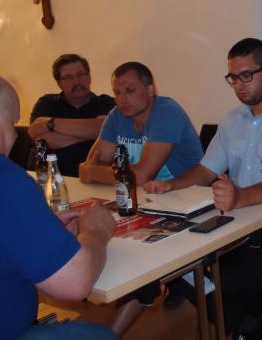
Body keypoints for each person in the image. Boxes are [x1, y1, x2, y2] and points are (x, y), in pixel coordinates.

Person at [145, 38, 262, 339]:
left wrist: (239, 198)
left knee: (222, 276)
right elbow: (205, 170)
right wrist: (169, 185)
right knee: (173, 265)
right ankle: (248, 320)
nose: (239, 85)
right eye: (232, 78)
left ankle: (245, 314)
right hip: (242, 217)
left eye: (246, 75)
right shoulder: (232, 121)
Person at [78, 61, 204, 334]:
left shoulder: (167, 112)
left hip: (187, 200)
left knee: (130, 252)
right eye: (117, 92)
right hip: (149, 202)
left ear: (150, 90)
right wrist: (105, 172)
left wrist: (98, 172)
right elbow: (91, 164)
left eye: (130, 90)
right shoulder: (116, 115)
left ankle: (121, 321)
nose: (122, 99)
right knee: (100, 230)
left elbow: (142, 174)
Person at [0, 76, 117, 340]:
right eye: (12, 123)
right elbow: (76, 284)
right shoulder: (6, 181)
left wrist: (41, 225)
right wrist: (95, 230)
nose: (13, 136)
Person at [28, 54, 116, 177]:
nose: (76, 81)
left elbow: (100, 128)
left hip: (94, 180)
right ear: (59, 83)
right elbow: (42, 139)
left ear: (89, 76)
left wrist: (51, 123)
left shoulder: (106, 103)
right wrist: (91, 134)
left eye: (80, 74)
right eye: (68, 77)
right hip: (48, 178)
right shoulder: (46, 103)